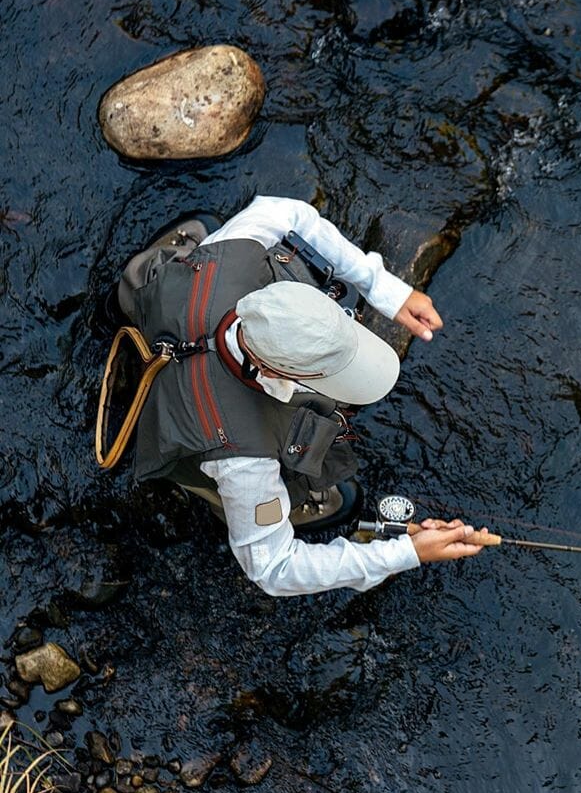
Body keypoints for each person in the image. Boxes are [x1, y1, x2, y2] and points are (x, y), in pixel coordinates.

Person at [119, 195, 486, 595]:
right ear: (277, 370)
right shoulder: (244, 462)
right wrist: (406, 553)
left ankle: (133, 285)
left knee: (203, 239)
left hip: (178, 308)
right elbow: (273, 568)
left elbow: (291, 213)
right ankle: (219, 497)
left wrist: (385, 290)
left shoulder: (234, 255)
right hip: (202, 439)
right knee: (276, 493)